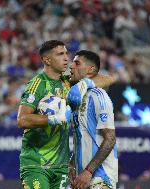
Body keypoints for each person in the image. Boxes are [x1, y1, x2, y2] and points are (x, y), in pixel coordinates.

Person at [17, 40, 115, 189]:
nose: (66, 58)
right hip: (36, 164)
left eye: (66, 53)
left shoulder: (68, 83)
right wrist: (54, 119)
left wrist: (85, 83)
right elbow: (22, 120)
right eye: (60, 54)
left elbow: (109, 79)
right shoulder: (37, 84)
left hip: (61, 167)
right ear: (47, 60)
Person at [67, 50, 118, 189]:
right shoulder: (77, 99)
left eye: (77, 63)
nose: (71, 66)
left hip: (100, 178)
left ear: (91, 70)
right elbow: (83, 138)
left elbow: (110, 139)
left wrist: (89, 171)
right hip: (82, 178)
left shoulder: (98, 95)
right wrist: (73, 163)